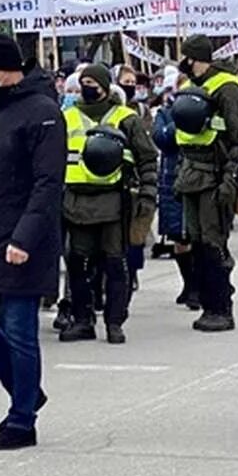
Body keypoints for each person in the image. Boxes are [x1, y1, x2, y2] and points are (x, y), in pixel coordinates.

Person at [0, 34, 62, 451]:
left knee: (20, 329)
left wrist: (24, 237)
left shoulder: (43, 112)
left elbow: (47, 183)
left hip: (25, 238)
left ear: (4, 69)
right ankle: (24, 387)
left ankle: (22, 419)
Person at [60, 62, 157, 344]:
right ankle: (82, 320)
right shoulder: (67, 117)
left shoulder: (126, 119)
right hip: (76, 201)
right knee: (78, 264)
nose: (88, 89)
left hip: (114, 201)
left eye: (93, 83)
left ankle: (115, 321)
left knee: (115, 263)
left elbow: (147, 158)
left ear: (105, 86)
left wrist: (148, 195)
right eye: (84, 83)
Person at [171, 36, 238, 332]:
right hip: (191, 173)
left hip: (215, 174)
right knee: (196, 239)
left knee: (212, 241)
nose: (184, 63)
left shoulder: (227, 88)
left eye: (187, 57)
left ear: (196, 58)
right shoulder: (190, 87)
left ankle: (220, 306)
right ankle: (207, 301)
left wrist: (231, 179)